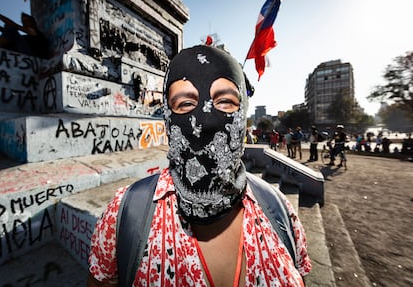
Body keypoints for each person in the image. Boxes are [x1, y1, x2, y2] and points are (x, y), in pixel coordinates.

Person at [87, 45, 311, 286]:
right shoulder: (122, 216)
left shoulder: (280, 212)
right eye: (184, 104)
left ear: (243, 113)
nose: (205, 121)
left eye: (225, 101)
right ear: (167, 118)